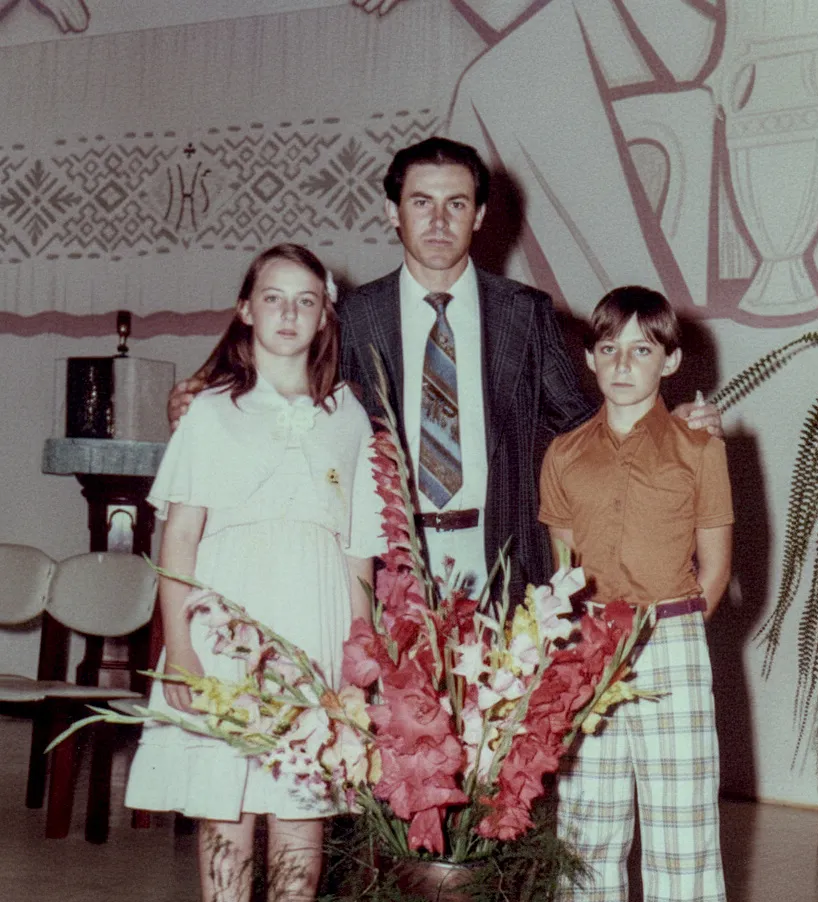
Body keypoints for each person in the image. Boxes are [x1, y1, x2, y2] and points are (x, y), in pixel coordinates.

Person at [167, 137, 722, 611]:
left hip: (502, 558)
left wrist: (663, 424)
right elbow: (291, 396)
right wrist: (204, 390)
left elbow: (583, 424)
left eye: (456, 204)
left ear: (478, 216)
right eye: (421, 203)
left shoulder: (526, 314)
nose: (438, 221)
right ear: (393, 212)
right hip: (385, 563)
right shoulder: (354, 316)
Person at [126, 243, 380, 902]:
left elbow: (359, 554)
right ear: (245, 309)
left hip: (313, 626)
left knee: (302, 809)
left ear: (325, 314)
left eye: (306, 300)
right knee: (227, 804)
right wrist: (180, 647)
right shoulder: (210, 412)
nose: (289, 313)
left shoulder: (349, 417)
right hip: (225, 625)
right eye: (274, 297)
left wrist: (358, 660)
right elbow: (180, 537)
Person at [537, 285, 738, 902]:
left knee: (683, 836)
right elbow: (562, 569)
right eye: (609, 349)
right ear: (590, 359)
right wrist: (582, 651)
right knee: (587, 832)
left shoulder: (698, 445)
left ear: (671, 360)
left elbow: (716, 566)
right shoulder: (564, 454)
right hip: (589, 650)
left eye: (642, 350)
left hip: (672, 640)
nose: (624, 364)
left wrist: (668, 634)